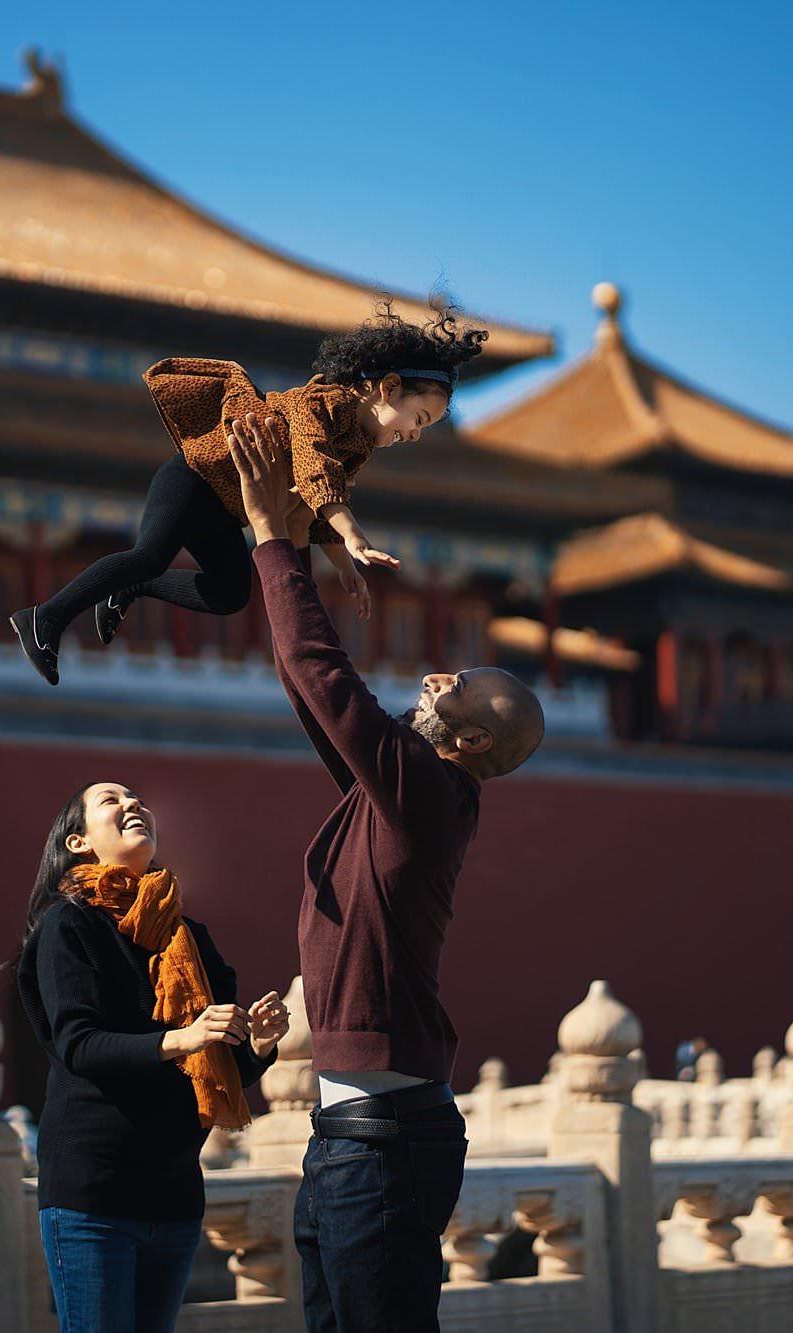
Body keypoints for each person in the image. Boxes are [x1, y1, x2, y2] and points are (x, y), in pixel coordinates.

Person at [227, 414, 546, 1333]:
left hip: (385, 1145)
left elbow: (324, 677)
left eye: (460, 686)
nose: (439, 678)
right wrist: (284, 539)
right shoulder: (402, 793)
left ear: (473, 740)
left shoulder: (430, 794)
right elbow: (313, 697)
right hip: (348, 1140)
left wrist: (267, 536)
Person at [8, 300, 489, 684]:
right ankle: (44, 618)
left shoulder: (358, 447)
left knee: (228, 593)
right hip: (193, 479)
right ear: (387, 387)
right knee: (150, 554)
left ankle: (132, 589)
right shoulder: (319, 404)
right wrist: (355, 536)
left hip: (225, 508)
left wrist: (345, 565)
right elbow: (312, 464)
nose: (416, 435)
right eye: (420, 419)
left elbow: (317, 505)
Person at [17, 780, 292, 1333]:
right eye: (111, 801)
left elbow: (218, 1072)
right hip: (94, 1192)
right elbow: (79, 1045)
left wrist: (258, 1043)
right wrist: (183, 1038)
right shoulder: (67, 924)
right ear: (77, 842)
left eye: (137, 799)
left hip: (174, 1193)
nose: (133, 806)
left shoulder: (189, 936)